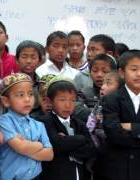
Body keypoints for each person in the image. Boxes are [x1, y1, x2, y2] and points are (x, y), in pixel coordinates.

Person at [0, 73, 53, 180]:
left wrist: (25, 147)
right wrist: (39, 145)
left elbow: (49, 155)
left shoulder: (39, 125)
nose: (27, 99)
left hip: (35, 177)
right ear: (6, 101)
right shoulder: (4, 121)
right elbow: (20, 147)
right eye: (20, 95)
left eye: (30, 94)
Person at [39, 77, 96, 180]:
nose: (68, 105)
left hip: (79, 174)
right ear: (49, 101)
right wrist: (81, 139)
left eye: (73, 100)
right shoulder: (45, 122)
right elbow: (56, 145)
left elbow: (90, 149)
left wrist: (67, 142)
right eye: (62, 100)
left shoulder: (79, 124)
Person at [100, 50, 140, 180]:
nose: (139, 74)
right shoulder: (111, 99)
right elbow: (114, 134)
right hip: (117, 168)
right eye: (134, 69)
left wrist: (132, 127)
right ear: (122, 72)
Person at [74, 54, 117, 122]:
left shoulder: (121, 93)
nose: (99, 75)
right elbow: (76, 109)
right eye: (95, 71)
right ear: (90, 73)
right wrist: (94, 114)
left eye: (105, 71)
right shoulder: (84, 92)